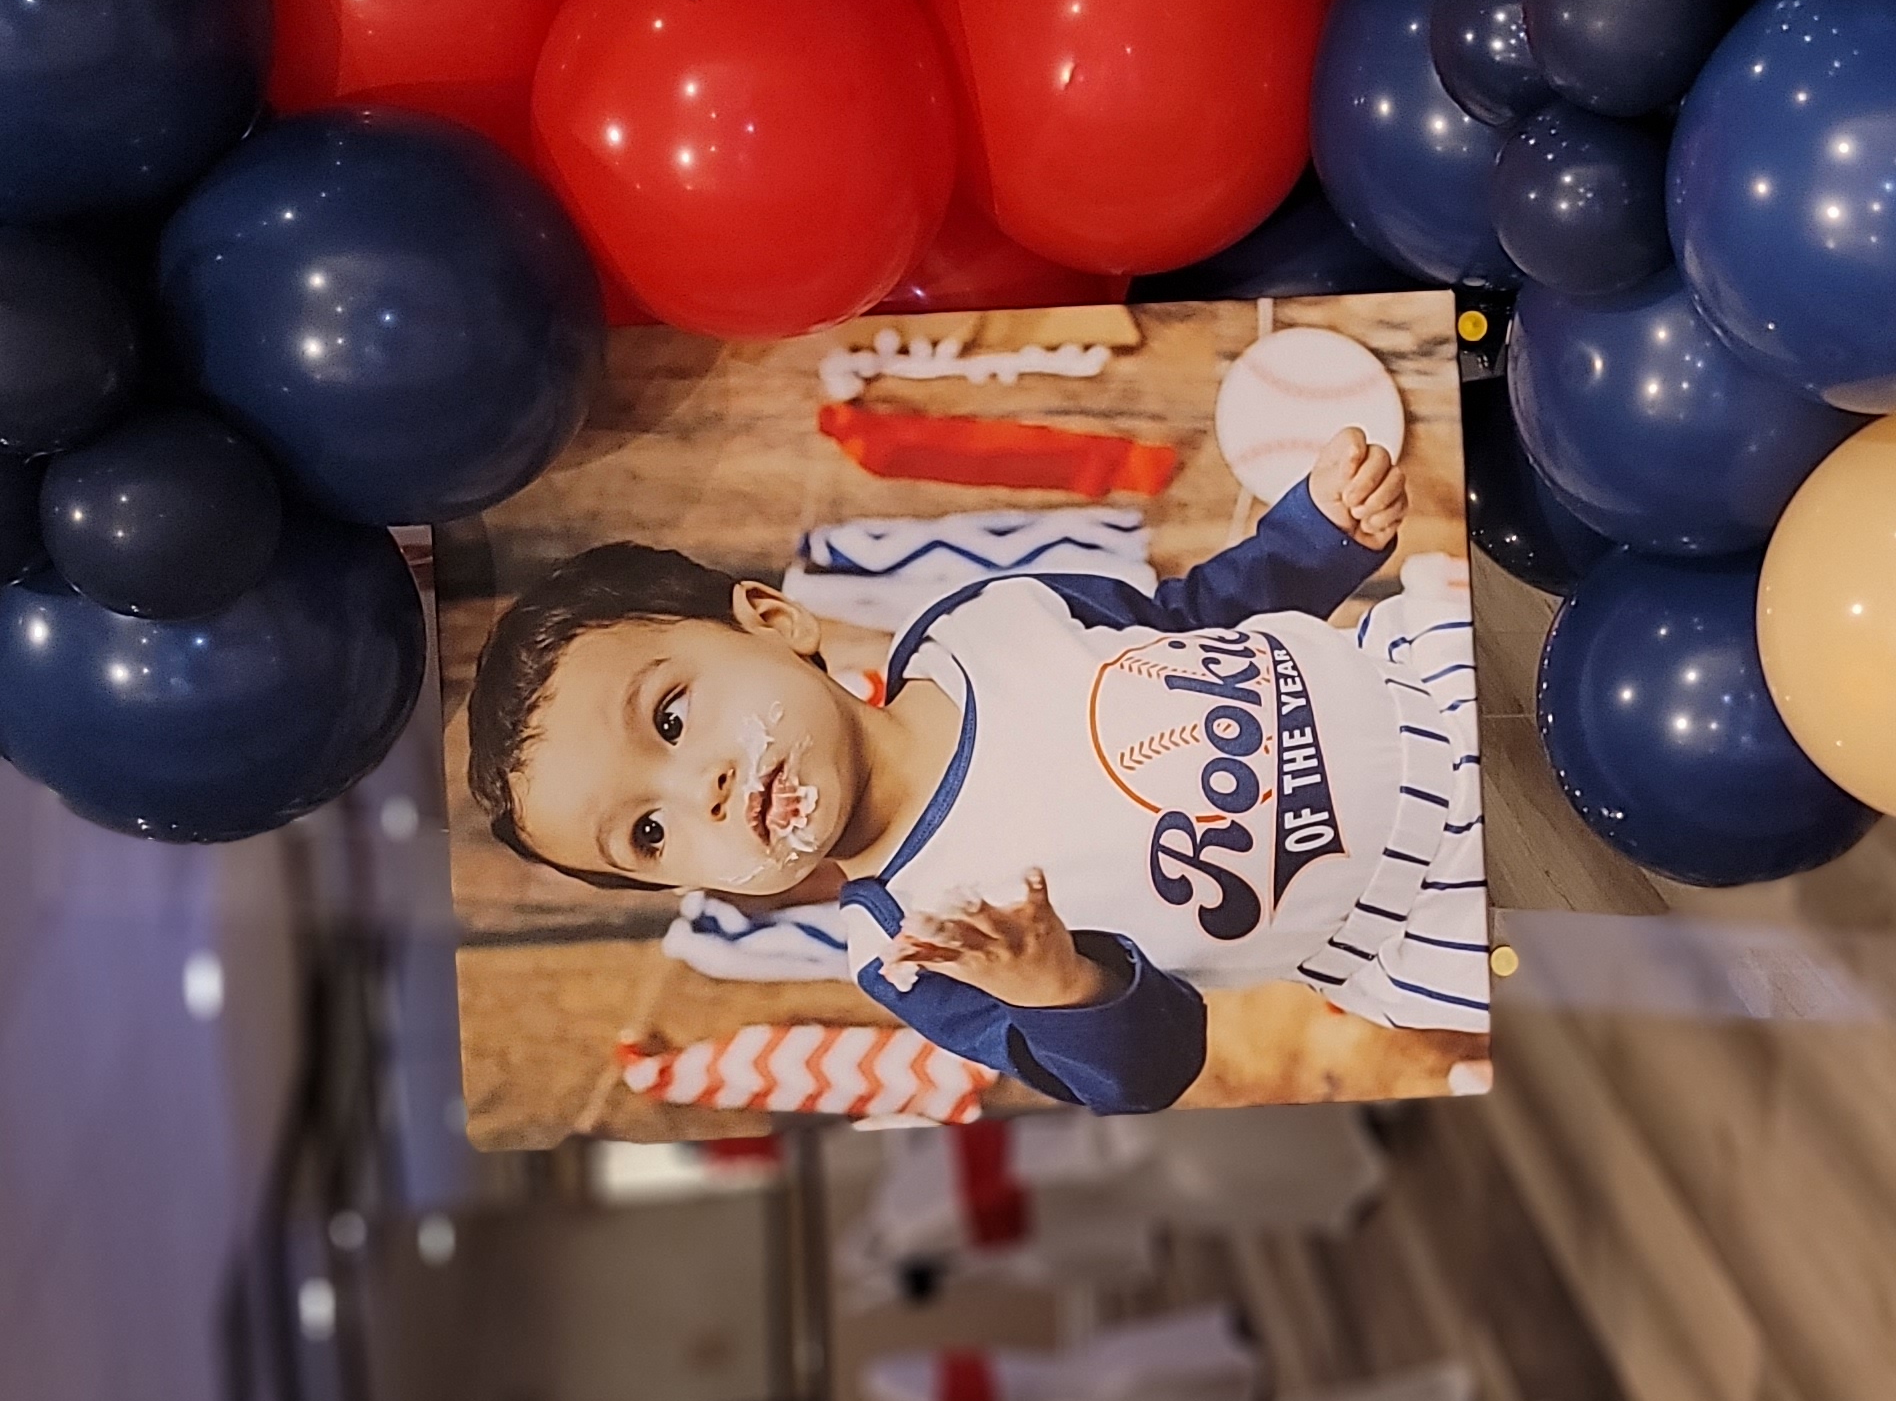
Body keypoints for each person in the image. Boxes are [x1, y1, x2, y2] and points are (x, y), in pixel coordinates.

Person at [466, 429, 1484, 1113]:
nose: (704, 792)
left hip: (1422, 669)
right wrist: (1061, 986)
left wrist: (1315, 539)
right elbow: (1153, 1068)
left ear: (773, 619)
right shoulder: (921, 950)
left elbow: (1190, 616)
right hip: (1424, 909)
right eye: (649, 832)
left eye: (671, 717)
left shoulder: (981, 623)